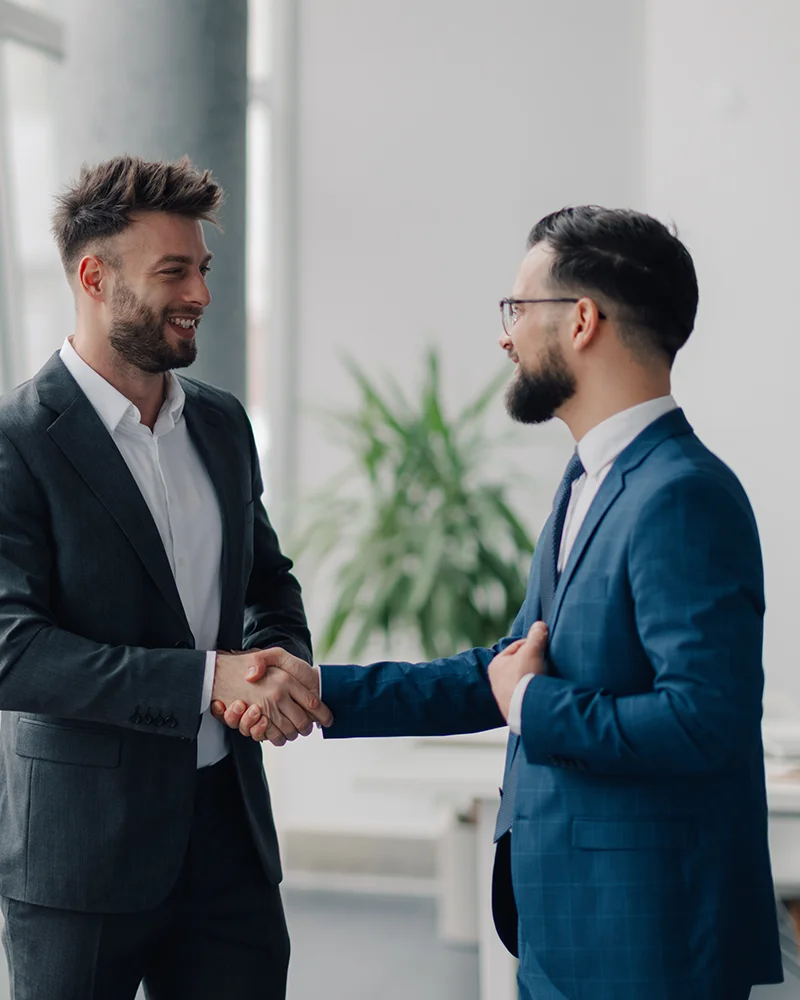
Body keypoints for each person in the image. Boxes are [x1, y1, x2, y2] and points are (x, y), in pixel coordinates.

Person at [216, 206, 784, 1000]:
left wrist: (533, 703)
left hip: (646, 940)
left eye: (518, 308)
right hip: (565, 927)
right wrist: (314, 688)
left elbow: (700, 721)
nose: (504, 336)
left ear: (583, 320)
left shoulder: (682, 496)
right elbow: (503, 671)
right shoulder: (589, 482)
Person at [0, 154, 332, 1000]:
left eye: (205, 270)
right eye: (174, 272)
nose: (201, 296)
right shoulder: (16, 441)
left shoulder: (221, 423)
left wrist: (275, 663)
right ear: (94, 276)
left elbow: (267, 579)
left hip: (230, 836)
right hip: (80, 857)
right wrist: (203, 680)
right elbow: (13, 650)